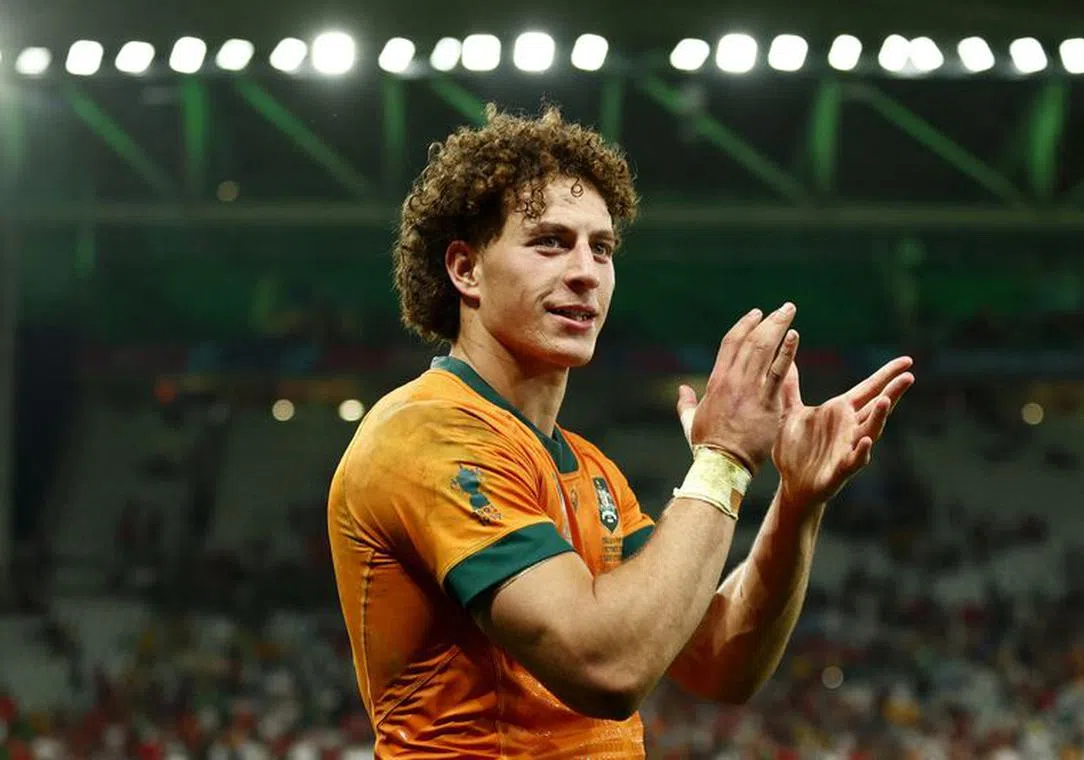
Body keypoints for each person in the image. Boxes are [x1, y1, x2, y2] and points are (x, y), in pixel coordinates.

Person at [327, 105, 914, 758]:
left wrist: (797, 501)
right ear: (465, 270)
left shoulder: (590, 469)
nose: (585, 271)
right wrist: (721, 459)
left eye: (600, 247)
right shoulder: (427, 435)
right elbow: (606, 670)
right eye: (550, 241)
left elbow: (719, 663)